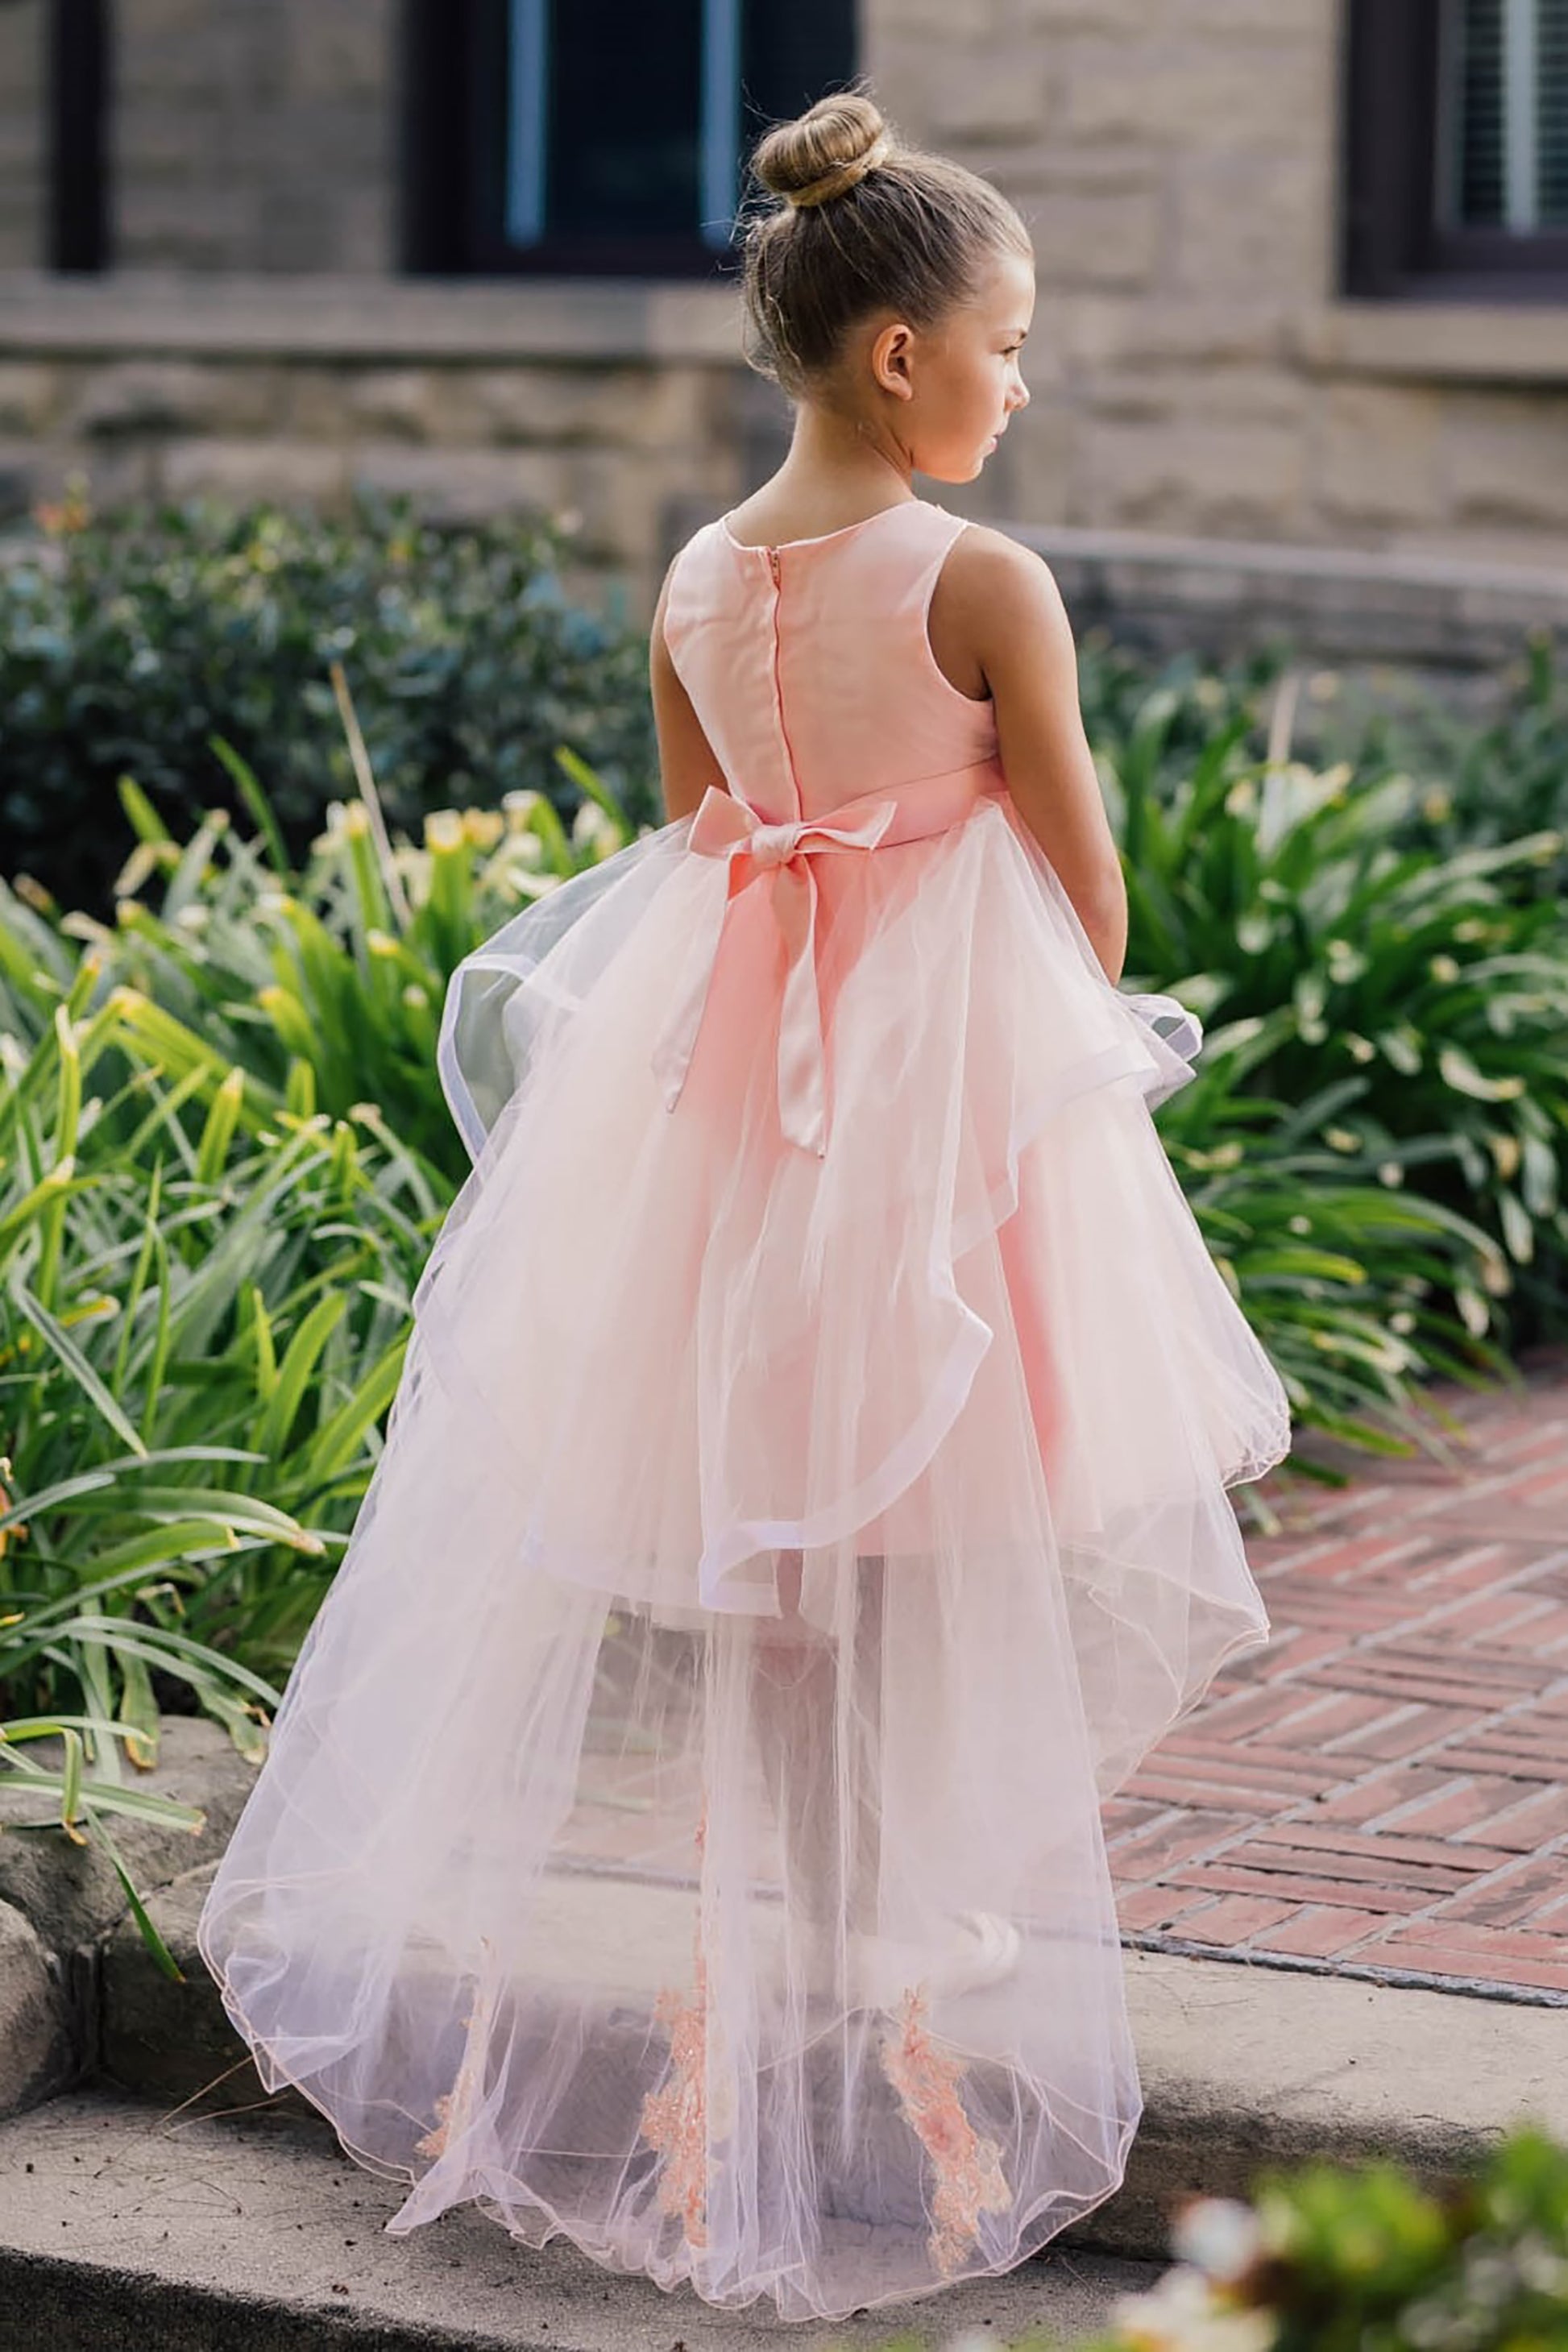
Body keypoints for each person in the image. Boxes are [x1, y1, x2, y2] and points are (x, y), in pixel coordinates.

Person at [197, 84, 1291, 2327]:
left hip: (724, 1107)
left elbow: (702, 835)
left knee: (777, 1524)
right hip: (930, 1113)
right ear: (899, 352)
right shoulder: (984, 576)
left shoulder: (699, 571)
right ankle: (917, 1894)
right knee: (943, 1484)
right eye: (1006, 341)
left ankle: (808, 1884)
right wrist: (1036, 1069)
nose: (1022, 378)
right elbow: (1079, 896)